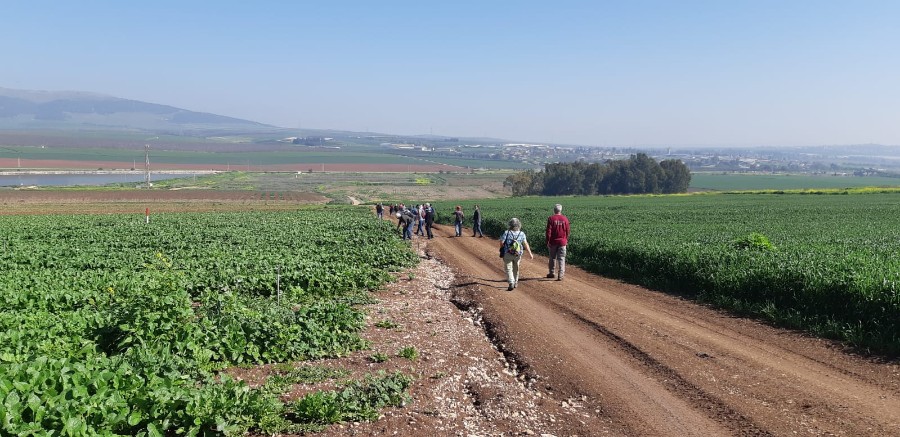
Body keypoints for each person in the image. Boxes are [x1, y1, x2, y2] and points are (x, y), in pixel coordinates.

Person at [499, 217, 533, 291]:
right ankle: (516, 282)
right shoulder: (522, 233)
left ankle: (511, 282)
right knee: (516, 268)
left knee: (508, 268)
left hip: (507, 253)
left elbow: (501, 242)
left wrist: (503, 248)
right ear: (519, 225)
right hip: (518, 254)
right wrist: (530, 253)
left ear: (510, 225)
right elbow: (525, 244)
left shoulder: (506, 232)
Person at [545, 203, 570, 281]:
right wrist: (566, 239)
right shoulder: (565, 219)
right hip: (562, 242)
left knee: (552, 258)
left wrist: (547, 241)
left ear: (554, 210)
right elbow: (568, 230)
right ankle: (561, 275)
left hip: (553, 242)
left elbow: (548, 231)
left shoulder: (551, 218)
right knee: (561, 258)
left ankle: (552, 273)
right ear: (561, 210)